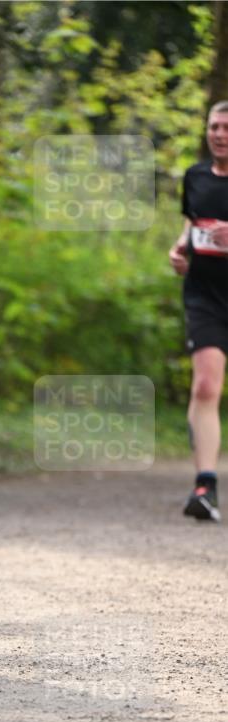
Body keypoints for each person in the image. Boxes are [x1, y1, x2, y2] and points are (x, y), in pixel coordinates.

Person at [169, 100, 228, 523]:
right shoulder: (195, 176)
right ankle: (205, 486)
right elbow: (193, 223)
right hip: (205, 297)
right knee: (206, 386)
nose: (220, 134)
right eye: (214, 126)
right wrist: (179, 248)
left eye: (227, 128)